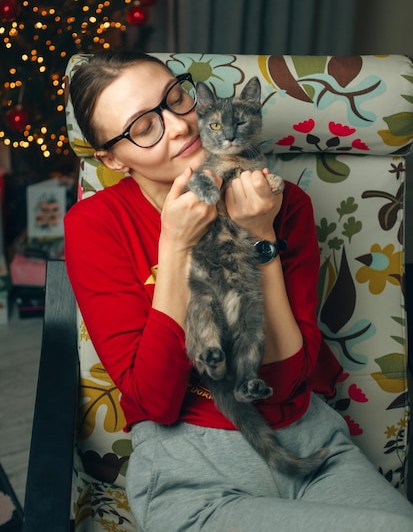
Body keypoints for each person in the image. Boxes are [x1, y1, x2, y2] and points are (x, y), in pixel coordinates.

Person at [64, 50, 413, 532]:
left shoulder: (284, 205)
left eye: (176, 98)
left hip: (310, 449)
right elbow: (155, 401)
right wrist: (175, 243)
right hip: (192, 473)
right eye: (144, 127)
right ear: (111, 158)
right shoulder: (95, 225)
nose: (180, 126)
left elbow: (288, 380)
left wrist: (261, 236)